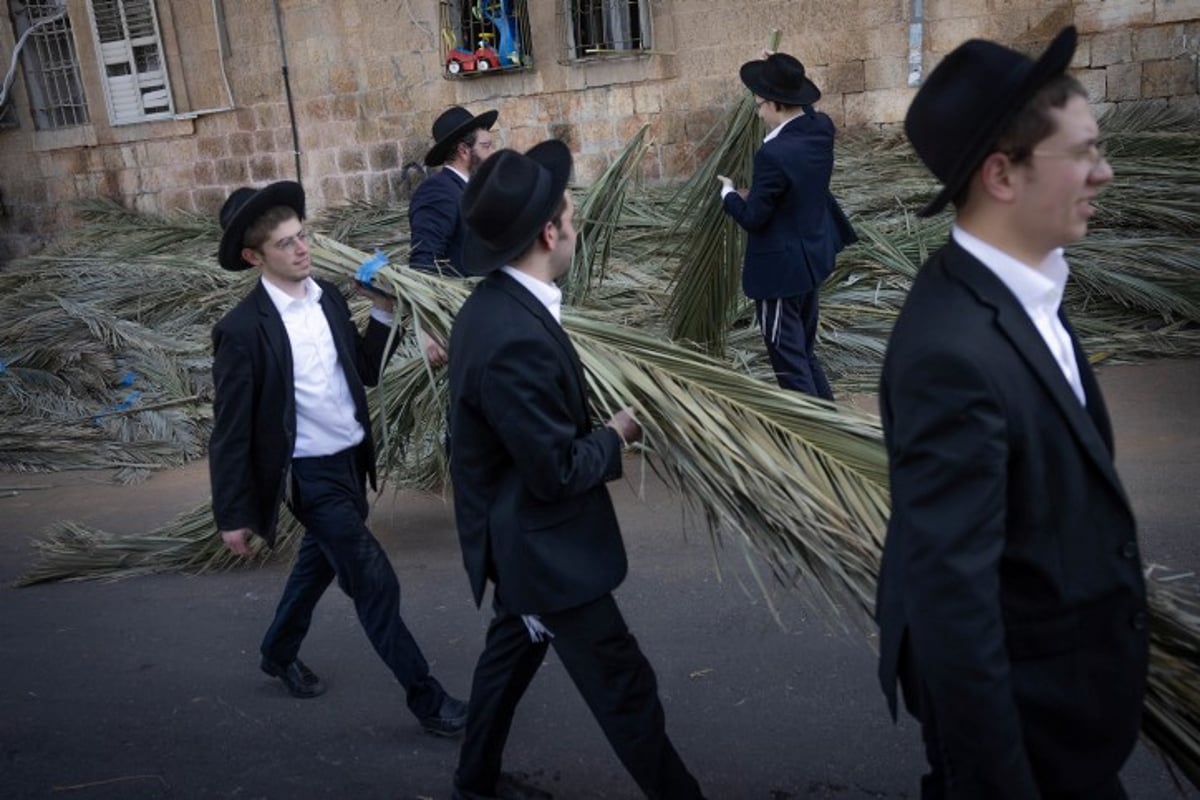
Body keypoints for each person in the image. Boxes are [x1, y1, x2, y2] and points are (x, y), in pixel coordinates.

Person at [875, 26, 1148, 799]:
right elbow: (952, 613)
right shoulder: (949, 356)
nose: (1106, 171)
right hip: (1030, 734)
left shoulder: (1029, 292)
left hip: (1072, 721)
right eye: (1085, 153)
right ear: (1002, 174)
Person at [446, 141, 705, 800]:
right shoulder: (512, 337)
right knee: (625, 689)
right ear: (547, 231)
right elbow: (556, 470)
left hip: (521, 540)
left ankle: (473, 784)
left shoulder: (499, 307)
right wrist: (617, 432)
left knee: (508, 656)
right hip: (544, 549)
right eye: (569, 209)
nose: (578, 218)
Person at [209, 180, 468, 737]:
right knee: (373, 581)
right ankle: (427, 700)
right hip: (308, 478)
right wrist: (233, 513)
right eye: (285, 244)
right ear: (255, 257)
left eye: (302, 236)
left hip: (352, 463)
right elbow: (229, 432)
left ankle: (278, 650)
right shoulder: (240, 332)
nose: (301, 248)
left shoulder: (327, 296)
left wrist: (381, 311)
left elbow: (366, 372)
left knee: (318, 564)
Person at [717, 51, 857, 399]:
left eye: (759, 104)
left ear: (776, 105)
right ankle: (831, 426)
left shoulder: (773, 155)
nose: (758, 110)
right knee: (803, 354)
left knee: (790, 365)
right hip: (811, 261)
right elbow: (805, 108)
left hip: (781, 276)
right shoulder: (820, 129)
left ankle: (816, 440)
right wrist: (775, 68)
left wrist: (729, 194)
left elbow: (753, 219)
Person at [407, 105, 498, 366]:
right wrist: (428, 327)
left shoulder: (474, 189)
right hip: (461, 319)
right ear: (463, 150)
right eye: (486, 146)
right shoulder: (438, 192)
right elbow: (424, 260)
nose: (493, 154)